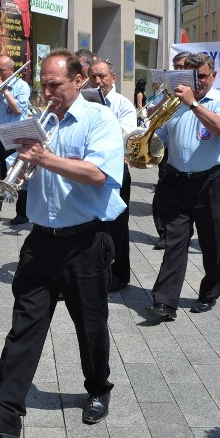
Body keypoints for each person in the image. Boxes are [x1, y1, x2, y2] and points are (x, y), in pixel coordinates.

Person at [0, 49, 125, 438]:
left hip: (86, 240)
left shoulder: (98, 120)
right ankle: (5, 414)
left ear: (78, 81)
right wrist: (23, 164)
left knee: (91, 326)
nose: (47, 93)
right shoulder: (41, 121)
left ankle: (99, 387)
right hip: (40, 240)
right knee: (24, 327)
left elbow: (98, 174)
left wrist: (45, 158)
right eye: (43, 85)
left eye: (55, 85)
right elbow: (33, 172)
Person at [145, 53, 220, 321]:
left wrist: (194, 104)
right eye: (192, 77)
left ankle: (209, 293)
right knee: (174, 241)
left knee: (213, 243)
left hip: (212, 182)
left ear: (213, 76)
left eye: (203, 76)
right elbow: (156, 135)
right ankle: (164, 301)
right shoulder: (174, 103)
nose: (198, 82)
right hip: (176, 182)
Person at [88, 58, 136, 292]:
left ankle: (120, 274)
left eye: (102, 76)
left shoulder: (122, 104)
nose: (97, 81)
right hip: (89, 170)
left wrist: (101, 113)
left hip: (116, 171)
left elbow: (125, 137)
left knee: (118, 224)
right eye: (93, 76)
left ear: (113, 78)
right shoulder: (83, 100)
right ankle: (94, 272)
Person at [0, 55, 31, 227]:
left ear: (11, 69)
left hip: (16, 134)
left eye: (2, 70)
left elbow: (18, 110)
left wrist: (6, 91)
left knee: (18, 175)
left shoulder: (22, 86)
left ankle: (22, 214)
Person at [151, 51, 191, 250]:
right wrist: (163, 100)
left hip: (192, 155)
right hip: (168, 152)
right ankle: (165, 233)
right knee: (163, 194)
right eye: (176, 67)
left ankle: (182, 230)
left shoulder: (199, 92)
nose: (179, 71)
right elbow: (149, 114)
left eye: (183, 67)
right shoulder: (167, 90)